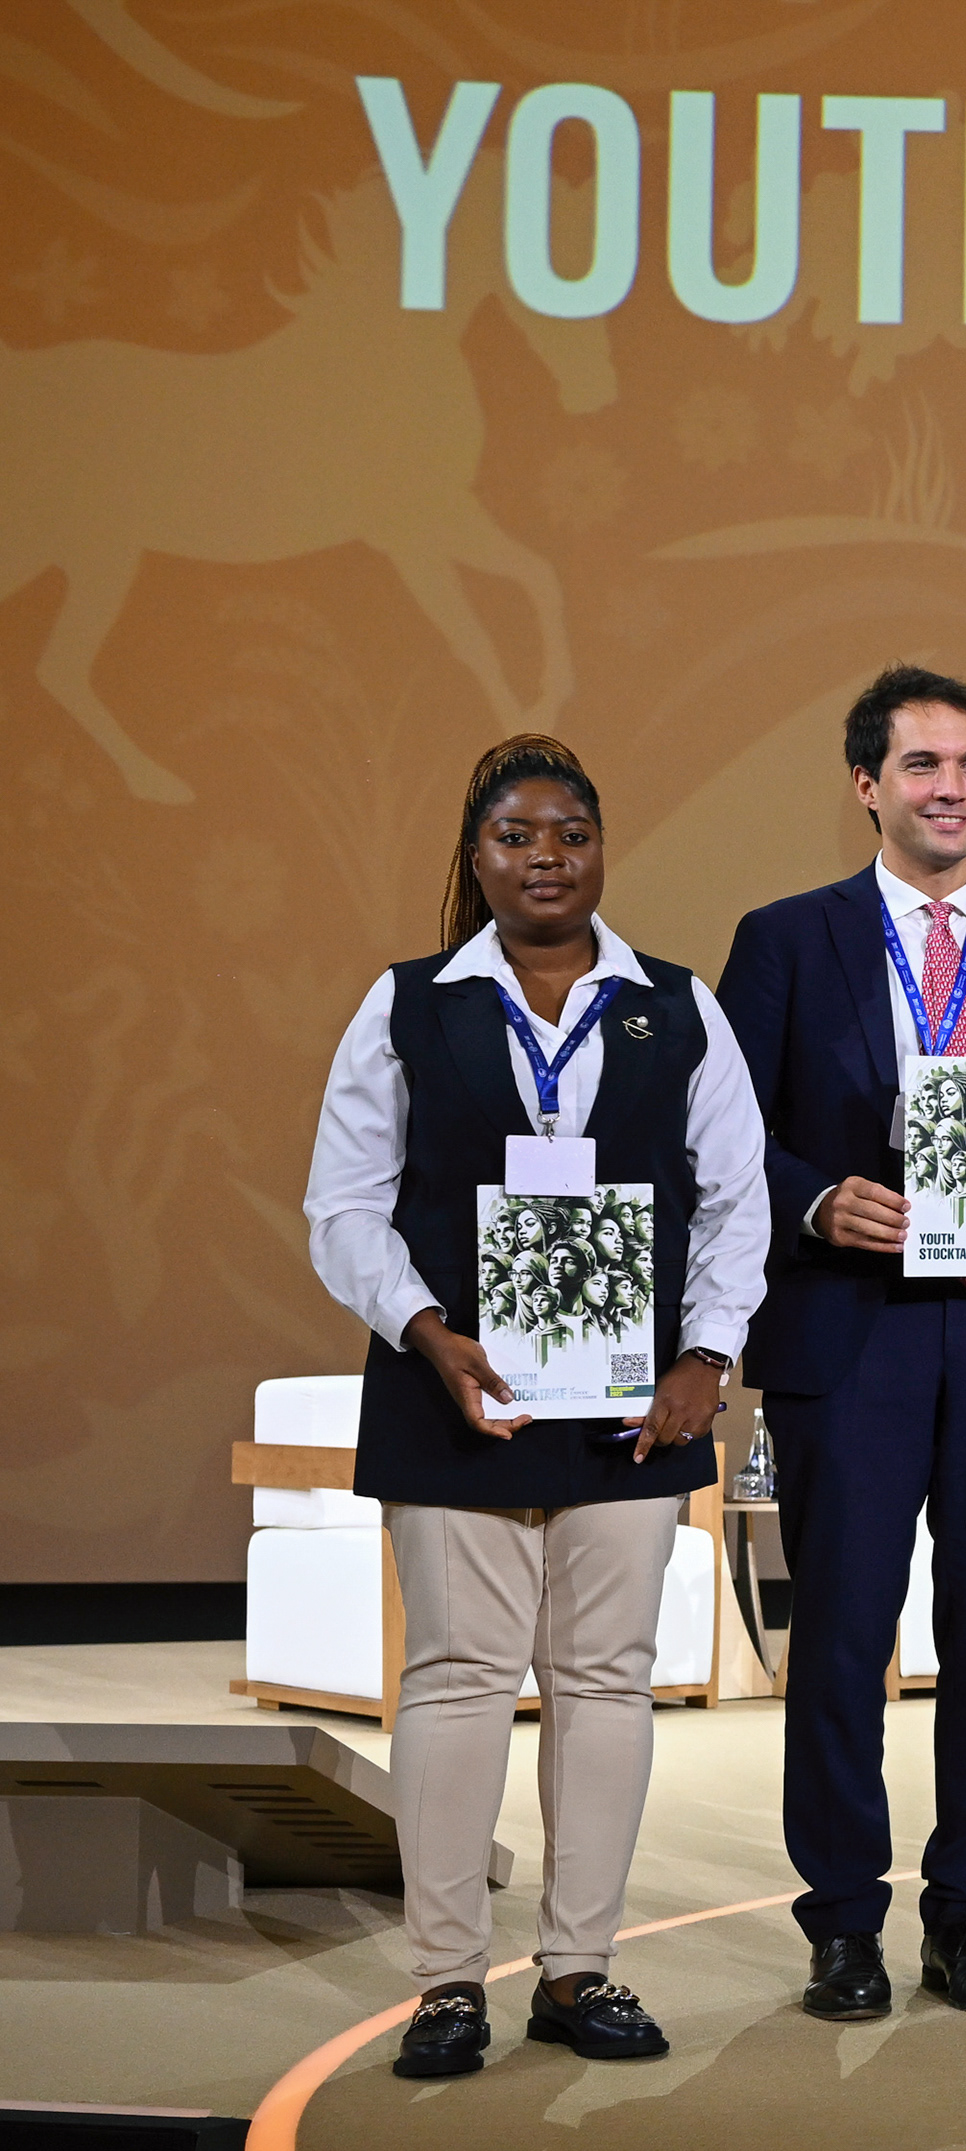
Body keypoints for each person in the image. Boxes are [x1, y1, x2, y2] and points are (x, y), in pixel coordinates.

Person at [305, 734, 768, 2077]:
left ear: (602, 848)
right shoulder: (406, 1005)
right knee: (457, 1679)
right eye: (516, 836)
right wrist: (428, 1333)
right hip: (456, 1391)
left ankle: (578, 1969)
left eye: (571, 833)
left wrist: (708, 1356)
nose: (546, 857)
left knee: (605, 1680)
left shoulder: (678, 1006)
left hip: (634, 1408)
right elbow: (343, 1206)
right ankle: (448, 1983)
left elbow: (735, 1199)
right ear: (477, 856)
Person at [719, 668, 966, 2023]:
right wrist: (816, 1201)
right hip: (856, 1332)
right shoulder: (789, 939)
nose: (951, 788)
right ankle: (843, 1921)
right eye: (922, 765)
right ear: (867, 786)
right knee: (843, 1641)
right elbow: (728, 1132)